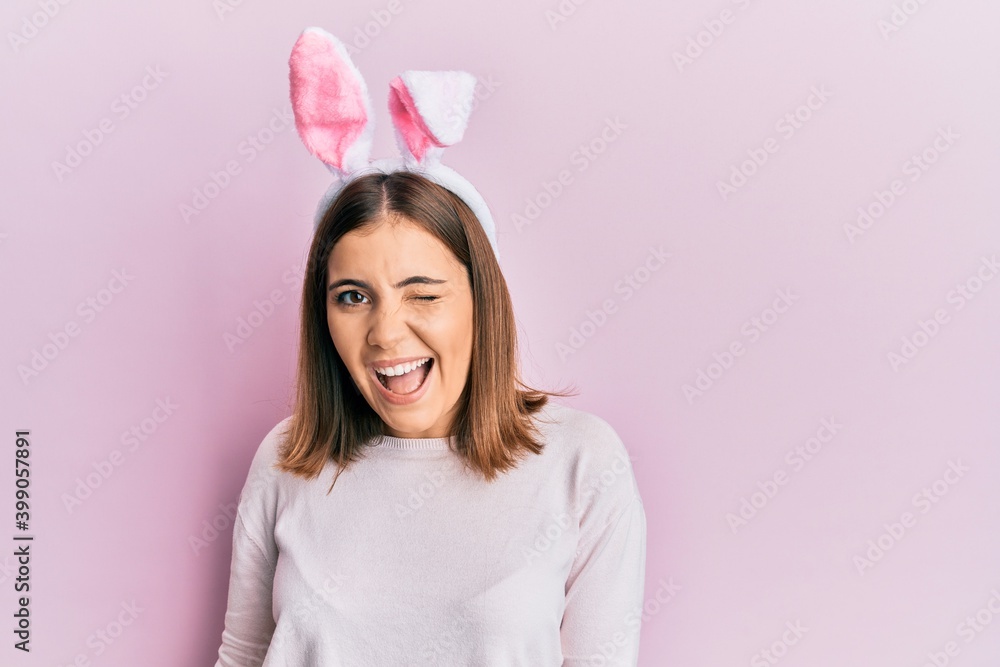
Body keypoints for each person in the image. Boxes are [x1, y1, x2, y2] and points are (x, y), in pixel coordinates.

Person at [213, 27, 647, 667]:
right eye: (352, 297)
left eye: (422, 293)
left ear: (481, 300)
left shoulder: (581, 462)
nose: (386, 333)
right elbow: (243, 655)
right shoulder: (287, 458)